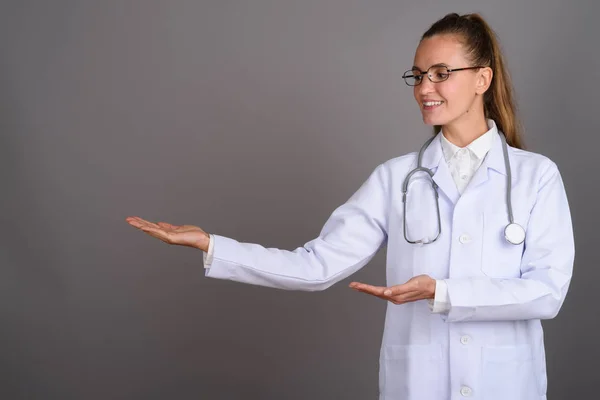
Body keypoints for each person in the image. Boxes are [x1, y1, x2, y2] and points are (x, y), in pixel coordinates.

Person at [126, 12, 574, 400]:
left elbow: (548, 292)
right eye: (417, 75)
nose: (424, 88)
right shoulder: (394, 178)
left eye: (441, 73)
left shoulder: (536, 176)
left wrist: (441, 292)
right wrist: (213, 245)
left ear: (482, 78)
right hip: (417, 384)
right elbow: (316, 266)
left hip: (506, 383)